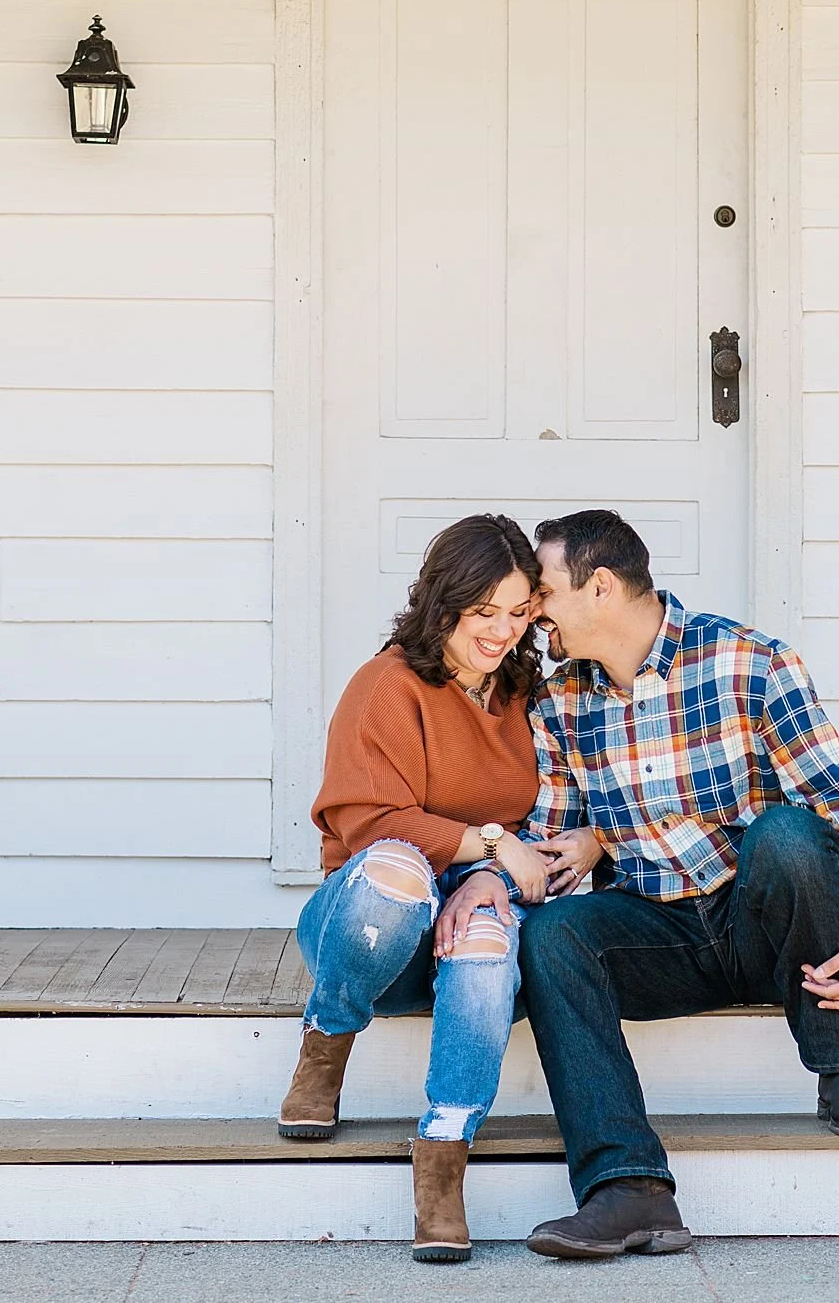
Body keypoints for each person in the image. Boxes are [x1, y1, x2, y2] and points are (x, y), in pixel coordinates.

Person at [441, 508, 839, 1260]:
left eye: (543, 593)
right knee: (557, 934)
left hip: (761, 925)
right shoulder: (561, 702)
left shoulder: (751, 662)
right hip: (658, 930)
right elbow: (554, 845)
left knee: (788, 835)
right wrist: (489, 873)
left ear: (599, 588)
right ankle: (628, 1188)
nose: (532, 613)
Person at [281, 512, 558, 1263]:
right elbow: (373, 822)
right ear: (444, 606)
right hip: (373, 930)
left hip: (464, 911)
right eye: (483, 612)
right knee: (399, 870)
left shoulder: (524, 694)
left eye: (517, 611)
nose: (502, 631)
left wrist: (488, 874)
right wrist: (495, 843)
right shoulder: (386, 686)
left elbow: (550, 808)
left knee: (488, 931)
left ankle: (443, 1159)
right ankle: (328, 1038)